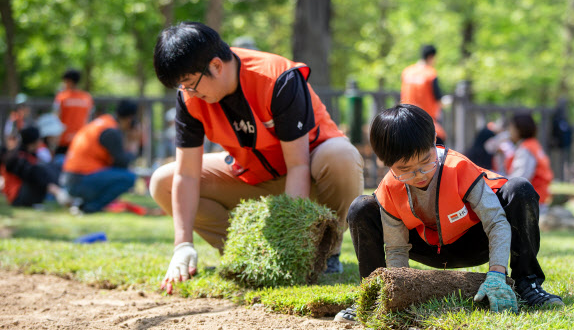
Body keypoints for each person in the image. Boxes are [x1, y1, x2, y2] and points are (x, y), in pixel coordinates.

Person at [150, 22, 364, 293]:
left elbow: (298, 165)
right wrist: (182, 245)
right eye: (183, 87)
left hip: (309, 176)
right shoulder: (189, 97)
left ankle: (326, 250)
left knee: (342, 155)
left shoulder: (277, 78)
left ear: (216, 66)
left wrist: (287, 237)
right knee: (163, 182)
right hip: (253, 176)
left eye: (191, 85)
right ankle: (248, 251)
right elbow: (186, 174)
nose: (189, 94)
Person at [336, 104, 563, 322]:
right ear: (385, 163)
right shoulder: (389, 188)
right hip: (427, 247)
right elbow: (396, 248)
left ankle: (528, 285)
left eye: (426, 161)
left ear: (434, 142)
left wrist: (496, 274)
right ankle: (373, 296)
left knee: (520, 189)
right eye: (405, 169)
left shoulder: (459, 168)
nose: (420, 174)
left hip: (475, 241)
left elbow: (496, 222)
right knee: (361, 208)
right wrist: (399, 290)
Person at [60, 100, 139, 214]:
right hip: (80, 180)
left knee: (122, 175)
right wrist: (133, 144)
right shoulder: (111, 131)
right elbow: (122, 163)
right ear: (130, 118)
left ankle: (80, 203)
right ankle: (90, 207)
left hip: (71, 178)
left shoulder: (103, 122)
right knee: (129, 178)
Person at [1, 126, 71, 208]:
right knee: (38, 171)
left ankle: (62, 191)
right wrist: (55, 190)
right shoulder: (17, 157)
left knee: (50, 167)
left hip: (23, 194)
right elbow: (32, 173)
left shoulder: (29, 155)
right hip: (17, 197)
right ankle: (59, 192)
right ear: (33, 142)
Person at [505, 113, 554, 211]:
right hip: (539, 196)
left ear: (519, 129)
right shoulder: (533, 144)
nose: (509, 131)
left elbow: (519, 179)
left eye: (511, 128)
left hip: (532, 201)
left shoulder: (526, 149)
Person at [400, 44, 446, 144]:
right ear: (431, 57)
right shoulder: (430, 74)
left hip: (405, 118)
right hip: (426, 120)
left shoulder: (407, 72)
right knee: (440, 142)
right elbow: (438, 98)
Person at [53, 68, 94, 155]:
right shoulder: (87, 98)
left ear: (69, 81)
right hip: (81, 140)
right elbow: (89, 119)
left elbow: (56, 117)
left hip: (63, 140)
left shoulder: (61, 97)